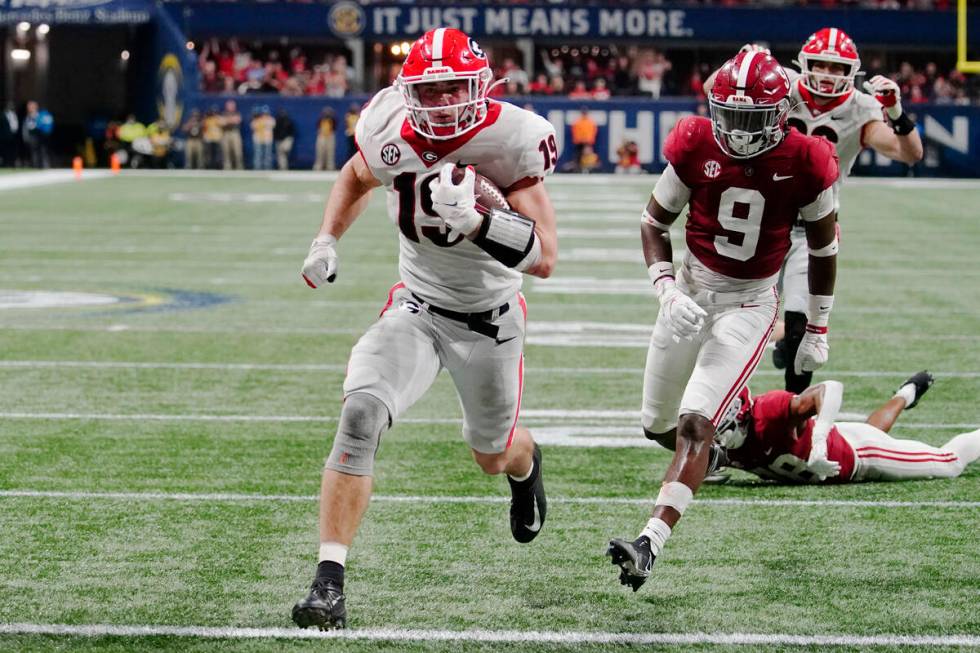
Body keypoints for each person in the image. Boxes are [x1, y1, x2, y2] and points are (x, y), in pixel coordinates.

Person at [291, 27, 558, 631]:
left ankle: (526, 462)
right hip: (417, 306)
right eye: (427, 90)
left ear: (480, 85)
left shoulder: (515, 137)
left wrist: (481, 222)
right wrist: (327, 238)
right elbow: (356, 178)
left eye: (451, 88)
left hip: (491, 321)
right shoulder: (388, 125)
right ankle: (328, 583)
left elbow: (545, 256)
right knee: (360, 414)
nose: (439, 103)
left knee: (492, 455)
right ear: (405, 90)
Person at [606, 50, 839, 593]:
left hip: (749, 304)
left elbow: (825, 250)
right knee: (656, 424)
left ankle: (648, 543)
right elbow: (653, 220)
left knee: (693, 423)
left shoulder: (808, 158)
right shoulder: (694, 140)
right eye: (729, 115)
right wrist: (664, 286)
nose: (737, 130)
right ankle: (734, 443)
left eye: (752, 118)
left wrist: (819, 325)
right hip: (689, 289)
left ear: (781, 113)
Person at [709, 33, 924, 393]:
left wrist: (897, 112)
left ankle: (793, 414)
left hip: (810, 229)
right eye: (820, 64)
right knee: (727, 319)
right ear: (803, 64)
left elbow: (909, 153)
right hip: (759, 219)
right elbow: (712, 88)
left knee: (802, 332)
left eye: (836, 66)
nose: (826, 73)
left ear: (851, 71)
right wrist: (743, 64)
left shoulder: (862, 108)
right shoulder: (781, 86)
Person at [717, 372, 980, 484]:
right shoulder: (710, 437)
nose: (719, 436)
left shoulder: (769, 412)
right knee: (873, 429)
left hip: (863, 455)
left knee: (949, 462)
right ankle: (907, 392)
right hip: (847, 441)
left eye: (724, 427)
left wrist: (819, 441)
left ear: (743, 415)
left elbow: (830, 388)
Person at [22, 101, 53, 168]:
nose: (29, 108)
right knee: (34, 153)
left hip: (40, 137)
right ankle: (35, 166)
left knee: (43, 152)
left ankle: (45, 166)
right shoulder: (28, 116)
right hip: (32, 138)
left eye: (31, 106)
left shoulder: (40, 115)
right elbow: (26, 128)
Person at [220, 99, 244, 170]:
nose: (230, 107)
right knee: (226, 151)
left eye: (232, 105)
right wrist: (230, 120)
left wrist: (227, 120)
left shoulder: (237, 113)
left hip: (235, 133)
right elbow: (222, 122)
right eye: (229, 105)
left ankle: (239, 166)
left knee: (237, 151)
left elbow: (237, 120)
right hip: (226, 133)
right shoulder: (223, 113)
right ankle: (227, 167)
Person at [250, 106, 275, 170]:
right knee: (258, 155)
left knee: (267, 155)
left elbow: (272, 124)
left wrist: (263, 122)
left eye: (266, 114)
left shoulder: (271, 119)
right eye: (263, 114)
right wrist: (258, 120)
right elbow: (253, 126)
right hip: (258, 139)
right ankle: (257, 168)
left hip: (267, 139)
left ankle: (267, 168)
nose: (265, 115)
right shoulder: (257, 120)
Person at [1, 103, 18, 167]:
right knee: (5, 151)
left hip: (14, 135)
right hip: (5, 136)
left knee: (12, 151)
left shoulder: (14, 115)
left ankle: (12, 163)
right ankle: (6, 163)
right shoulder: (3, 115)